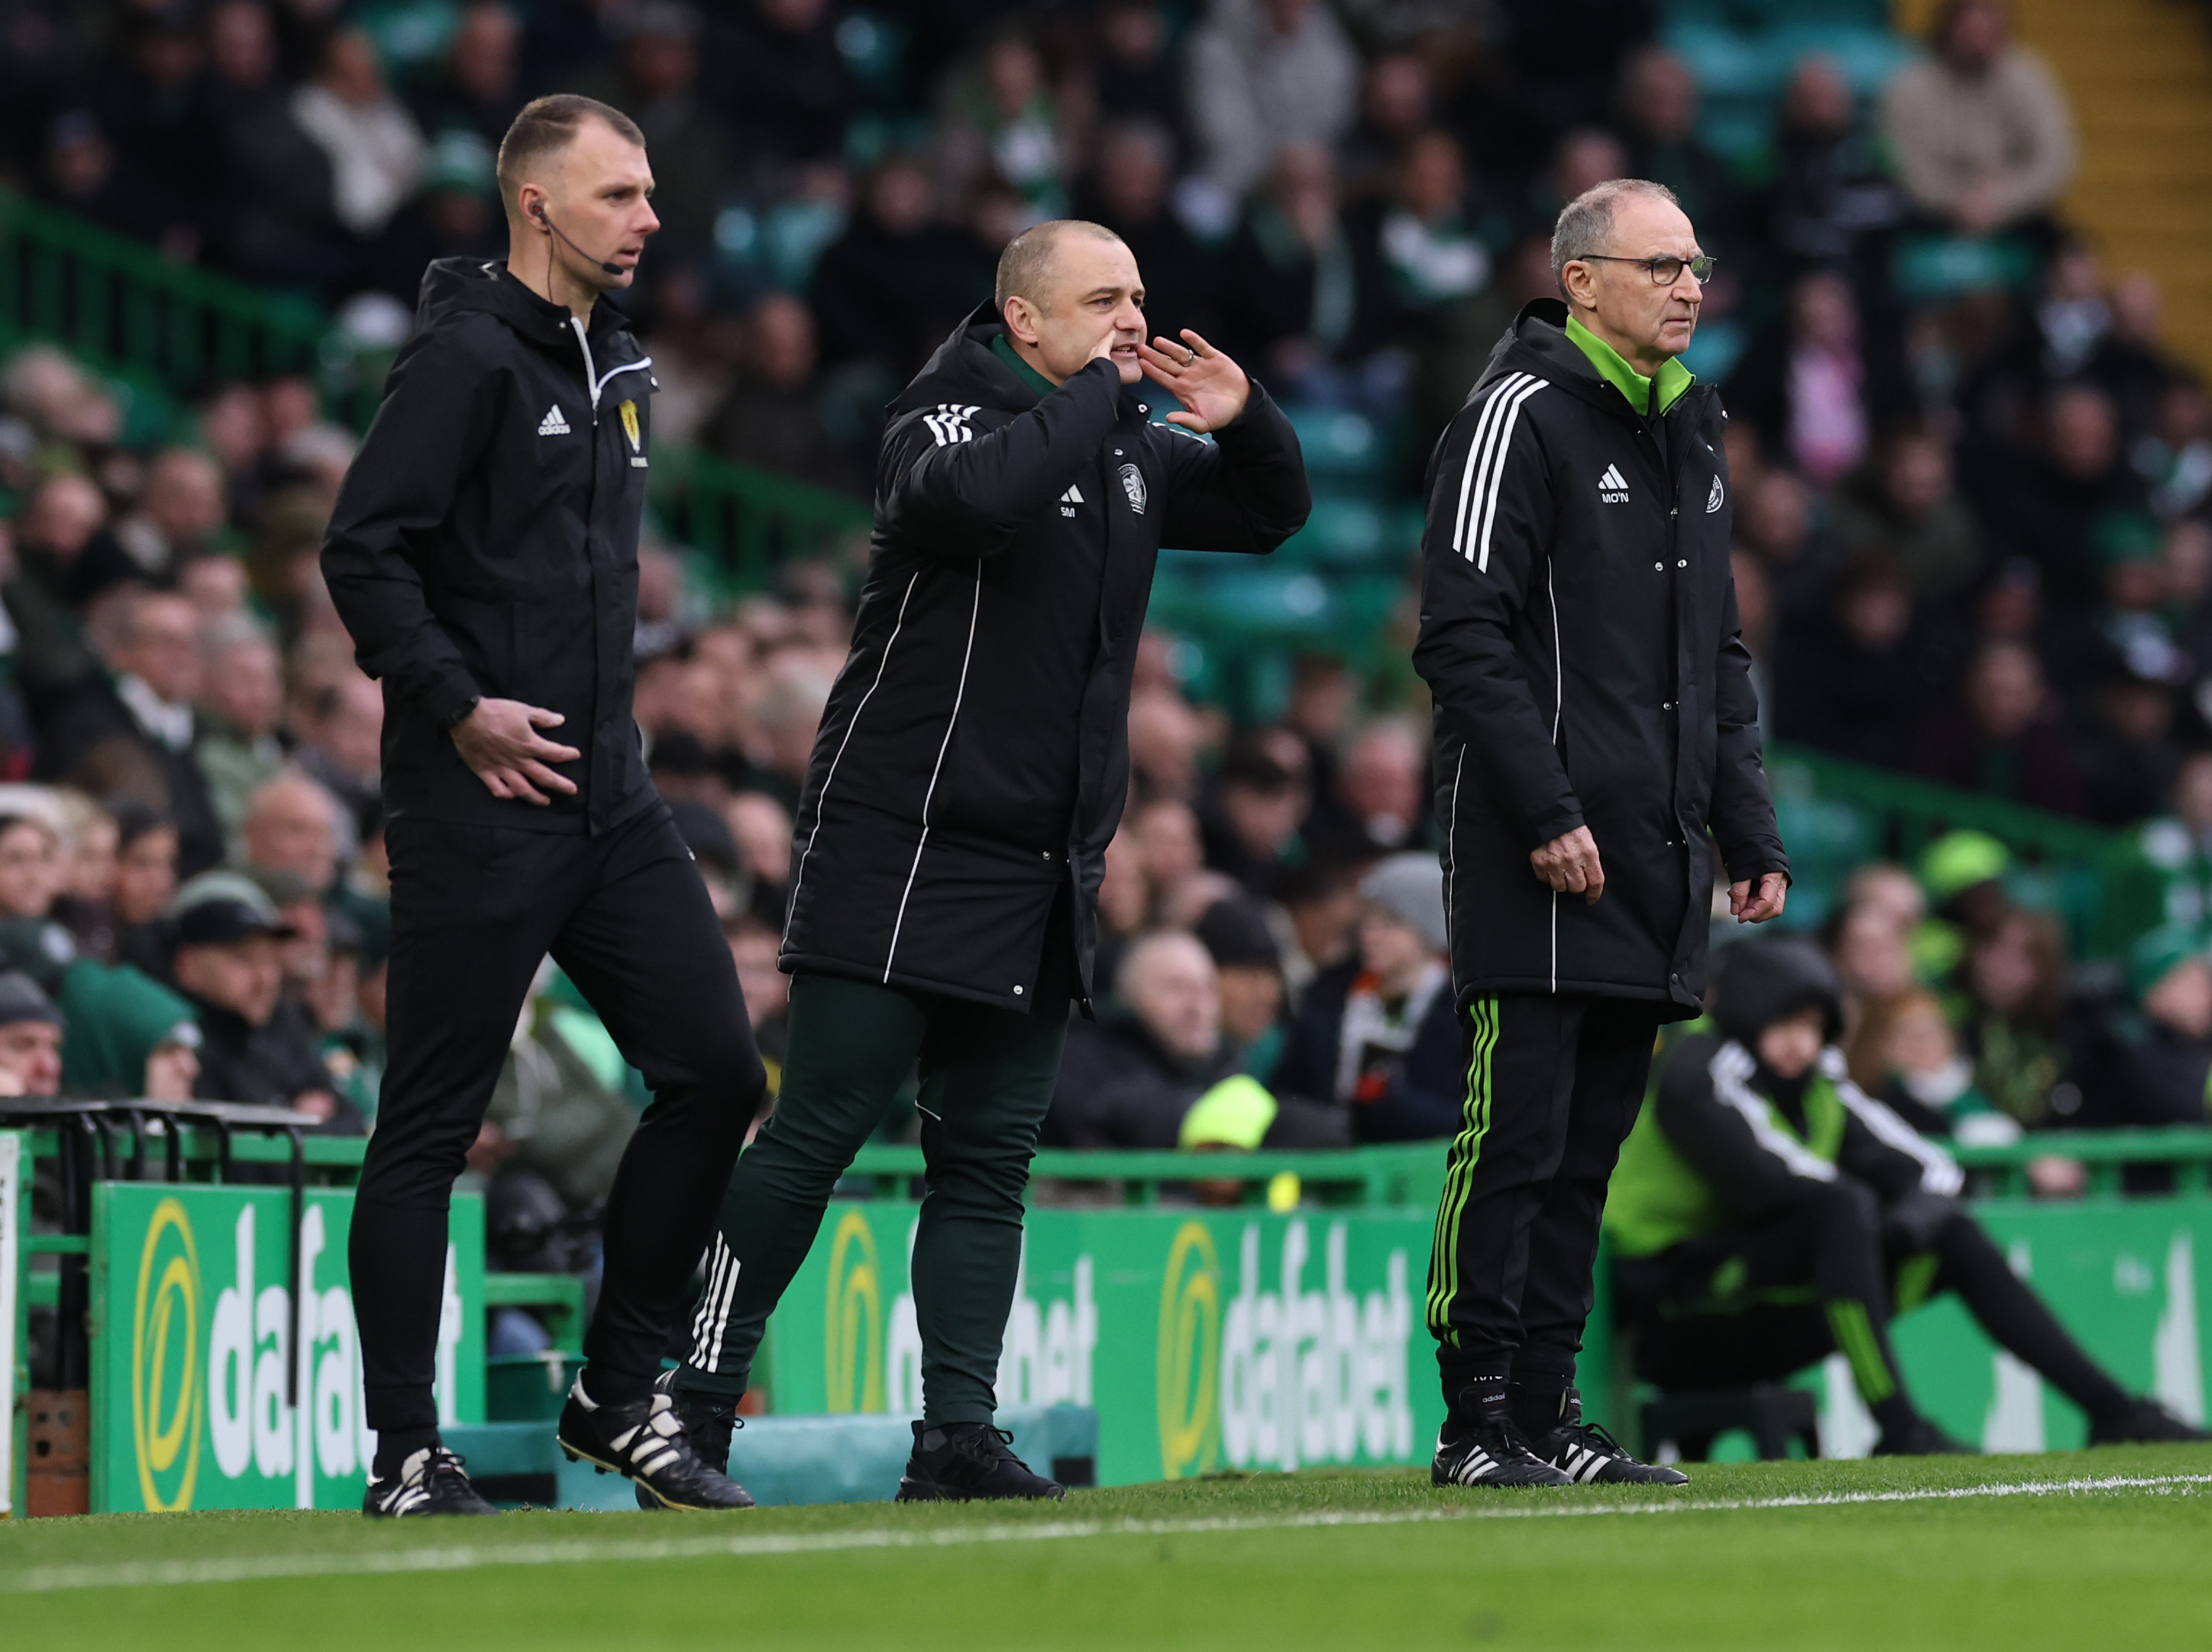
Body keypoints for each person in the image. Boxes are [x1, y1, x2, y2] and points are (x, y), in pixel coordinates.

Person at [668, 216, 1310, 1501]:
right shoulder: (942, 417)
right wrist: (1097, 399)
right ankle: (688, 1407)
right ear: (1023, 320)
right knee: (818, 1132)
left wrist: (1247, 420)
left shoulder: (1124, 444)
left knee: (989, 1160)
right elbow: (979, 502)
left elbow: (1269, 514)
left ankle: (954, 1431)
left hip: (1041, 861)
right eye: (1101, 299)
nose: (1133, 318)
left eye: (1139, 295)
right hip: (902, 838)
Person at [320, 94, 764, 1517]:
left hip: (611, 796)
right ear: (537, 205)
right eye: (622, 194)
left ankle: (613, 1394)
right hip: (478, 799)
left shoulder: (619, 359)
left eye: (647, 192)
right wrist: (456, 707)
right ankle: (404, 1452)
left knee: (715, 1071)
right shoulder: (460, 362)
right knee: (430, 1126)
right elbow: (362, 551)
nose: (649, 218)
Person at [1410, 177, 1790, 1488]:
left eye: (1698, 262)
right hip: (1537, 845)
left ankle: (1550, 1413)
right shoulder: (1514, 412)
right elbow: (1459, 633)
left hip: (1656, 846)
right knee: (1510, 1137)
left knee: (1587, 1156)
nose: (1692, 285)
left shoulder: (1692, 423)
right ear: (1581, 281)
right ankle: (1474, 1422)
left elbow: (1715, 653)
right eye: (1662, 264)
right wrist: (1549, 809)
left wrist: (1746, 827)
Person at [1609, 937, 2207, 1454]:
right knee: (1842, 1210)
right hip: (1673, 1306)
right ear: (1749, 1015)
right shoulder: (1702, 1068)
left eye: (1815, 1028)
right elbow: (1773, 1182)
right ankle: (1899, 1427)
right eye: (1786, 1024)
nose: (1802, 1043)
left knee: (1952, 1236)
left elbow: (1933, 1171)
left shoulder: (1817, 1080)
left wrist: (1902, 1228)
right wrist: (1875, 1225)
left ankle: (2114, 1412)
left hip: (1757, 1296)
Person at [1271, 852, 1462, 1142]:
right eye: (1367, 919)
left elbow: (1470, 1116)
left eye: (1390, 922)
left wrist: (1395, 1102)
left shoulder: (1462, 1010)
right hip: (1331, 1164)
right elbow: (1288, 1090)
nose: (1369, 934)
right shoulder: (1327, 995)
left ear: (1428, 931)